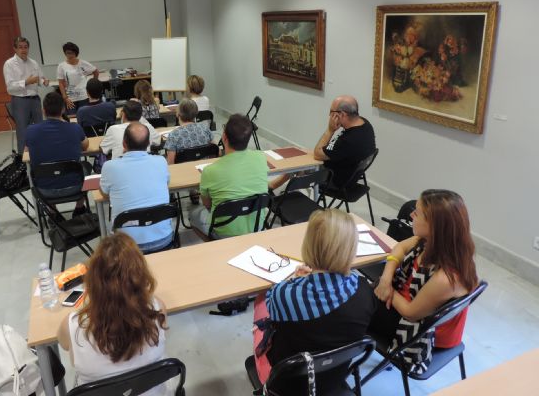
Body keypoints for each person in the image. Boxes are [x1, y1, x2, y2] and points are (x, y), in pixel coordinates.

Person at [251, 209, 377, 389]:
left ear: (309, 245)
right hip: (335, 375)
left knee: (261, 302)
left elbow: (275, 310)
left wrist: (295, 281)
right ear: (351, 248)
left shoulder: (285, 295)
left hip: (287, 382)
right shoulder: (365, 290)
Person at [370, 189, 478, 374]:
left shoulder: (446, 277)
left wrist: (386, 289)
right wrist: (386, 279)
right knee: (358, 294)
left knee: (351, 305)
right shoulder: (432, 242)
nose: (411, 215)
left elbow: (411, 314)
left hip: (424, 332)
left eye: (417, 212)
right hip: (412, 307)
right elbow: (401, 246)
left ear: (434, 225)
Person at [57, 232, 167, 393]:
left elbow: (63, 344)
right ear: (141, 276)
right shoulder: (157, 309)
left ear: (92, 281)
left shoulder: (73, 326)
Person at [269, 95, 376, 192]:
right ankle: (278, 186)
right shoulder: (365, 124)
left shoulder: (349, 141)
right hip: (349, 174)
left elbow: (318, 154)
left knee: (298, 164)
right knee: (299, 152)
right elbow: (331, 151)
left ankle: (276, 189)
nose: (330, 115)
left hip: (333, 179)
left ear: (342, 114)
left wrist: (330, 130)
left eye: (332, 112)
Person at [189, 113, 268, 239]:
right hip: (256, 226)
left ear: (224, 137)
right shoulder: (261, 157)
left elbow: (207, 204)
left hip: (223, 231)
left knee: (193, 214)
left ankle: (214, 243)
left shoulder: (209, 171)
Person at [99, 123, 173, 252]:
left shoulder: (109, 166)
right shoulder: (161, 161)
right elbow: (166, 184)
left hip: (126, 248)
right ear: (148, 143)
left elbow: (105, 194)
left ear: (124, 144)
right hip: (164, 239)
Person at [25, 91, 89, 216]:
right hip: (75, 187)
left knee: (43, 170)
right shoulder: (74, 128)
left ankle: (53, 212)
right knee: (86, 166)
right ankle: (79, 207)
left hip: (44, 190)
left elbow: (26, 151)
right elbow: (85, 146)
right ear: (63, 109)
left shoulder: (31, 131)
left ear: (43, 111)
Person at [3, 36, 49, 153]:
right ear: (15, 48)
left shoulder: (33, 62)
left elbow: (40, 78)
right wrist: (26, 82)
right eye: (20, 47)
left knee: (39, 127)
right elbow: (10, 87)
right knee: (23, 131)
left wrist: (44, 81)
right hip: (20, 100)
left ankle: (41, 154)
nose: (24, 50)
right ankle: (23, 160)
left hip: (35, 99)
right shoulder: (9, 64)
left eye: (26, 47)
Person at [164, 98, 213, 165]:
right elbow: (217, 151)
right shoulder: (205, 129)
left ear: (178, 114)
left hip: (183, 171)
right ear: (196, 113)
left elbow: (171, 163)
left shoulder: (174, 135)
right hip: (203, 168)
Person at [57, 41, 100, 115]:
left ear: (76, 53)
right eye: (67, 53)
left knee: (85, 117)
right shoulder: (61, 66)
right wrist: (65, 98)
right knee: (72, 119)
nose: (70, 55)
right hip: (70, 98)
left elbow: (96, 71)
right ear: (65, 53)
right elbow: (61, 83)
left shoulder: (83, 63)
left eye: (72, 53)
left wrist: (92, 84)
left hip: (84, 97)